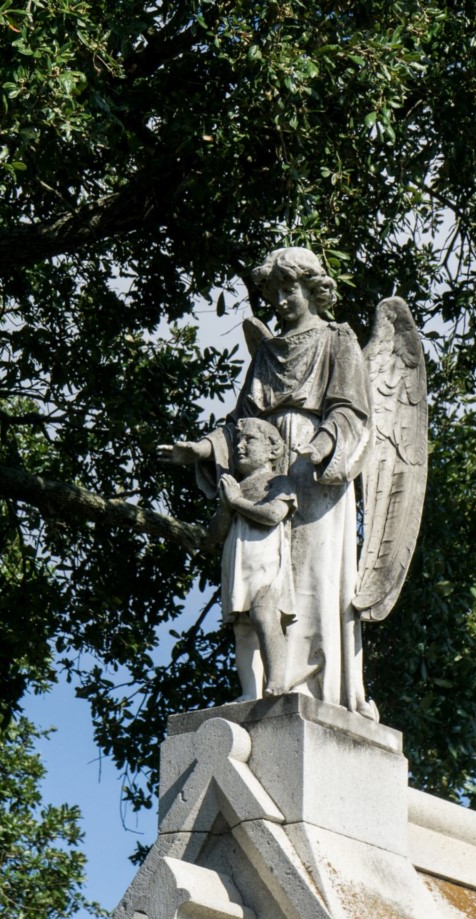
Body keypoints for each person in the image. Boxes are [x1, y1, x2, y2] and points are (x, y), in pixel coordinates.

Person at [159, 247, 377, 719]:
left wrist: (319, 445)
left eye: (288, 289)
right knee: (266, 578)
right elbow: (241, 424)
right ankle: (267, 682)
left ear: (313, 289)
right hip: (266, 470)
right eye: (272, 292)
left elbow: (353, 412)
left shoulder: (337, 339)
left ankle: (321, 684)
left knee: (314, 574)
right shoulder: (268, 354)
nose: (279, 300)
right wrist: (202, 448)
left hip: (316, 470)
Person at [207, 418, 297, 701]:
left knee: (263, 614)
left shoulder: (278, 482)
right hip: (238, 562)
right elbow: (214, 535)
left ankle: (278, 681)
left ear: (274, 449)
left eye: (250, 440)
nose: (240, 447)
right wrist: (225, 506)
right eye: (238, 442)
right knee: (243, 628)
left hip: (266, 561)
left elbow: (273, 515)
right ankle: (249, 692)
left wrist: (236, 503)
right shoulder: (235, 486)